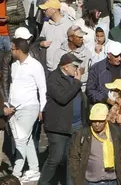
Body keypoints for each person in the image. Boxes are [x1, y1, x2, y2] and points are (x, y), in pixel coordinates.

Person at [40, 53, 87, 185]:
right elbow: (63, 98)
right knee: (55, 158)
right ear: (65, 67)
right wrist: (77, 83)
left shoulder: (73, 78)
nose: (77, 69)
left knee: (72, 160)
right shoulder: (53, 78)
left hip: (76, 125)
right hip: (58, 127)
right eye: (75, 66)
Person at [9, 38, 47, 181]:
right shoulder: (14, 65)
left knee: (20, 139)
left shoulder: (35, 66)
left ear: (18, 50)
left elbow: (42, 88)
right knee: (28, 139)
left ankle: (16, 173)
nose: (11, 51)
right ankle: (34, 168)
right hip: (15, 108)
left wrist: (41, 109)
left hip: (30, 107)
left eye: (13, 49)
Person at [68, 103, 121, 185]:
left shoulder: (116, 132)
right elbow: (74, 157)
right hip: (90, 182)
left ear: (106, 118)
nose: (97, 124)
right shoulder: (82, 134)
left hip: (113, 181)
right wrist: (77, 178)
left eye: (100, 121)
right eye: (94, 121)